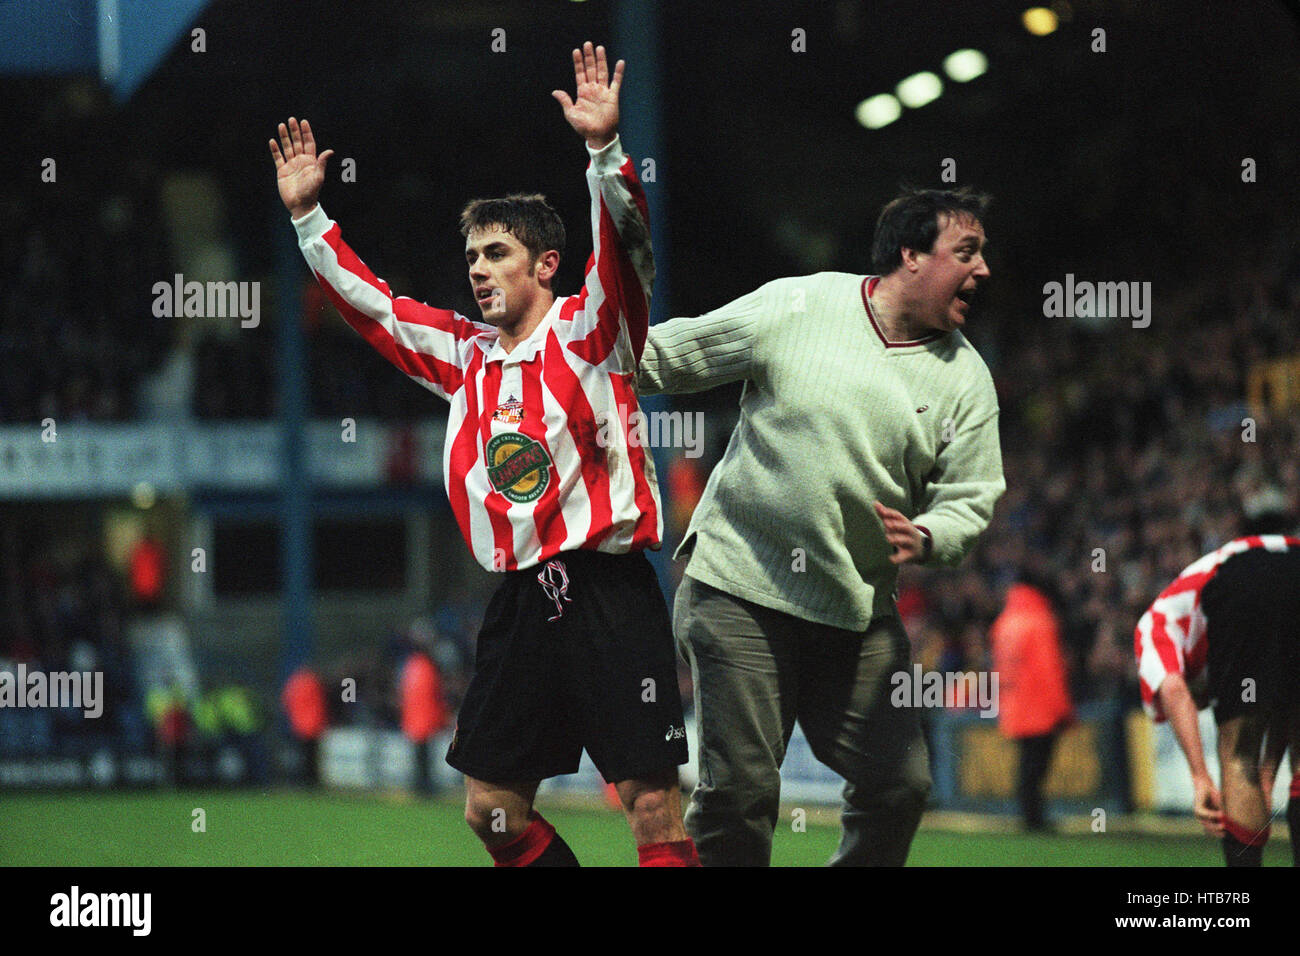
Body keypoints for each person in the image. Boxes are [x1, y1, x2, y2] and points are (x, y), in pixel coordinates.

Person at [269, 43, 697, 867]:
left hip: (608, 588)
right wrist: (309, 222)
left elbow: (627, 247)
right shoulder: (465, 356)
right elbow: (377, 310)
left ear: (545, 263)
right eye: (471, 256)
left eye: (496, 253)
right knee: (491, 812)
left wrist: (606, 152)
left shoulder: (592, 331)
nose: (477, 269)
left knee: (650, 803)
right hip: (519, 603)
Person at [637, 186, 1005, 865]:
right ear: (911, 256)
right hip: (738, 588)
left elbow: (972, 494)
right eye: (968, 252)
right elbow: (668, 356)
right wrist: (567, 349)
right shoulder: (799, 304)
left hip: (855, 613)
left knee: (901, 784)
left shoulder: (967, 380)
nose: (983, 270)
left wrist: (929, 536)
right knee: (740, 793)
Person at [1135, 526, 1300, 866]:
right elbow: (1284, 700)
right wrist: (1269, 773)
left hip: (1245, 575)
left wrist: (1200, 777)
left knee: (1239, 756)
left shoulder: (1153, 623)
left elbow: (1174, 690)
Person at [989, 576, 1074, 831]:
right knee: (1037, 765)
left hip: (1013, 706)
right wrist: (1062, 708)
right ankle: (1034, 818)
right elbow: (1049, 670)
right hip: (1039, 708)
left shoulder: (1004, 622)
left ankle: (1029, 815)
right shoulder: (1040, 622)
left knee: (1027, 763)